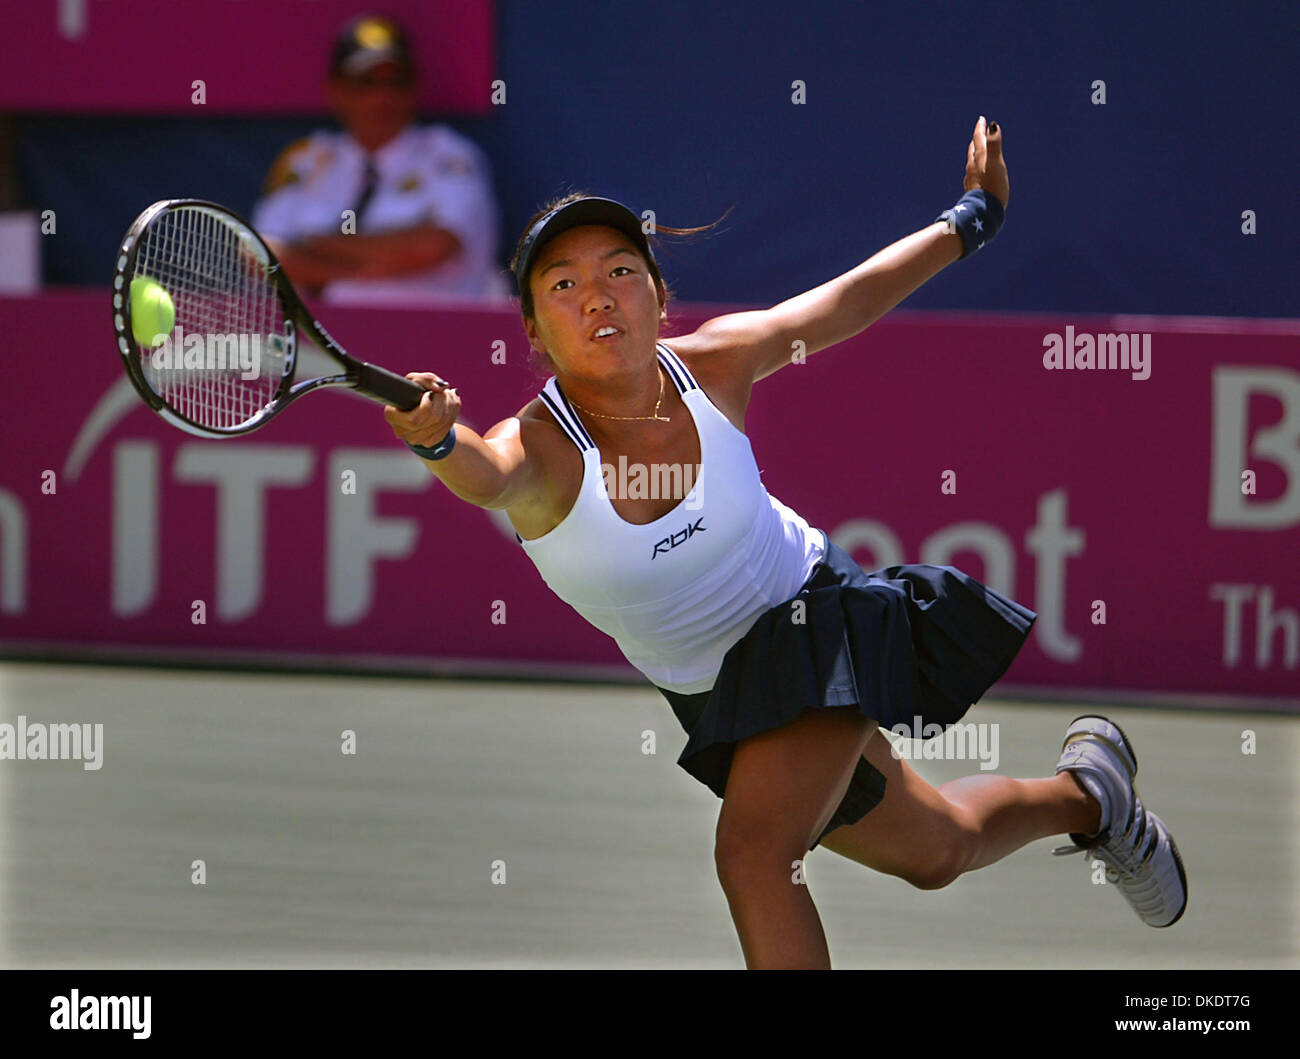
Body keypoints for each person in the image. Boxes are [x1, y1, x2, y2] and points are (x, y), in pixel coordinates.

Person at [383, 118, 1188, 969]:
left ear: (659, 297)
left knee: (753, 856)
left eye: (620, 272)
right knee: (937, 849)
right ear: (536, 333)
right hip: (722, 699)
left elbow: (848, 300)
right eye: (563, 284)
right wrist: (437, 439)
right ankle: (1093, 796)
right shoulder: (540, 447)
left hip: (817, 619)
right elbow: (485, 471)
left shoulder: (718, 363)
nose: (597, 295)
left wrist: (972, 217)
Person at [251, 14, 509, 304]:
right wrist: (369, 266)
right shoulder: (307, 161)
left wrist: (316, 245)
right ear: (336, 89)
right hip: (314, 342)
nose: (382, 97)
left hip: (432, 338)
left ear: (415, 88)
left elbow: (433, 247)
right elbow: (259, 253)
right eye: (366, 83)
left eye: (396, 82)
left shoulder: (449, 156)